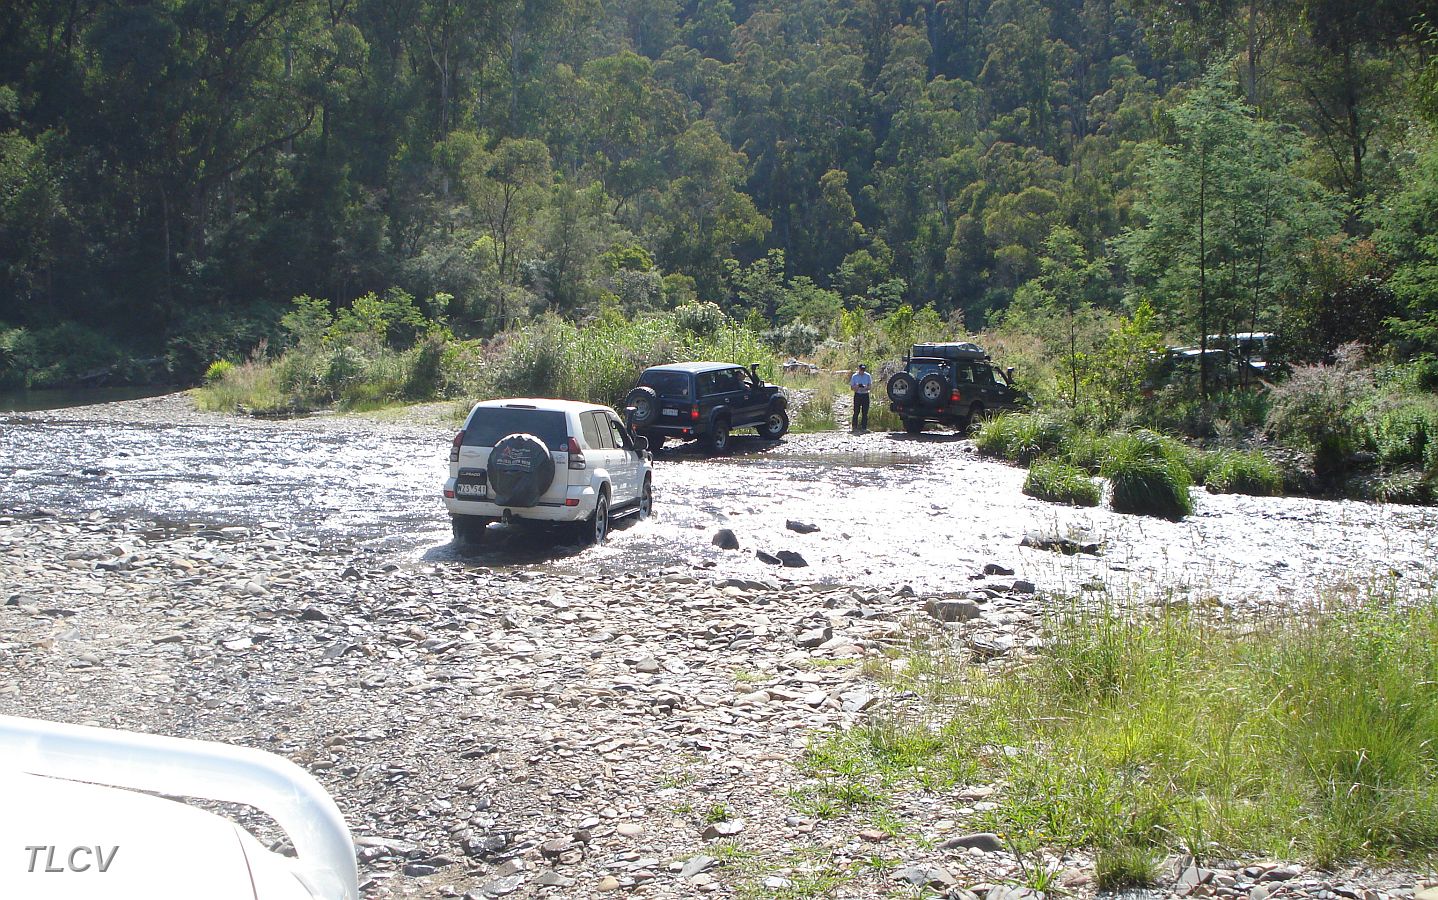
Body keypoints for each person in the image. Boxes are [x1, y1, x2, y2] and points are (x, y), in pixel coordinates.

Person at [850, 363, 872, 432]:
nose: (862, 371)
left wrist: (866, 387)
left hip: (865, 395)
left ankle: (864, 427)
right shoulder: (854, 376)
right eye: (861, 369)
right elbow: (852, 387)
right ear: (858, 369)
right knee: (856, 411)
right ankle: (854, 427)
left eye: (863, 370)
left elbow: (870, 386)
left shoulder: (868, 376)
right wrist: (856, 387)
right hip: (858, 394)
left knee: (865, 412)